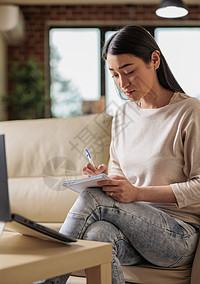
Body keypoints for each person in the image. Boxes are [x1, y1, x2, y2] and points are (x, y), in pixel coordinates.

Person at [40, 25, 200, 284]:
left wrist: (138, 193)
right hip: (133, 229)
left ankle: (43, 279)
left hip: (178, 236)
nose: (122, 83)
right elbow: (119, 172)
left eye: (129, 71)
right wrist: (105, 180)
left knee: (93, 200)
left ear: (154, 60)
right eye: (114, 74)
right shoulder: (124, 114)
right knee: (97, 236)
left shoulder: (189, 111)